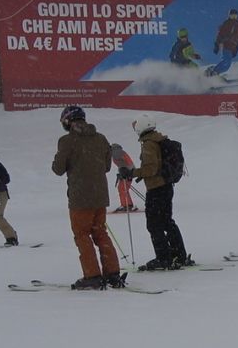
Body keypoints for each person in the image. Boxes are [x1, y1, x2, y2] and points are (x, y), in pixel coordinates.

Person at [51, 106, 122, 289]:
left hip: (80, 197)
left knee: (82, 235)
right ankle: (112, 272)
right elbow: (106, 166)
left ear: (68, 121)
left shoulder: (67, 141)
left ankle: (92, 275)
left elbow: (58, 169)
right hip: (100, 196)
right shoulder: (100, 138)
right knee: (100, 232)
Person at [120, 114, 192, 271]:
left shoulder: (149, 144)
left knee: (154, 224)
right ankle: (179, 254)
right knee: (167, 221)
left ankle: (163, 258)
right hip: (166, 186)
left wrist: (132, 173)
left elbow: (151, 168)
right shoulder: (160, 140)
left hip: (156, 189)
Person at [207, 8, 238, 77]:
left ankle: (214, 70)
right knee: (226, 62)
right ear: (229, 16)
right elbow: (220, 34)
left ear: (237, 16)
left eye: (235, 16)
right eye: (232, 16)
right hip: (226, 45)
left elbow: (237, 39)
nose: (233, 18)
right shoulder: (227, 23)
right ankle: (214, 72)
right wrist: (217, 44)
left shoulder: (237, 26)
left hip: (232, 48)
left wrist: (236, 49)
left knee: (227, 65)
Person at [110, 143, 138, 212]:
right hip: (128, 172)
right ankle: (128, 204)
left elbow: (126, 163)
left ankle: (126, 205)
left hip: (127, 173)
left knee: (122, 188)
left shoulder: (116, 153)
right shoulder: (121, 152)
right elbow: (126, 163)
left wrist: (127, 172)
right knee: (123, 188)